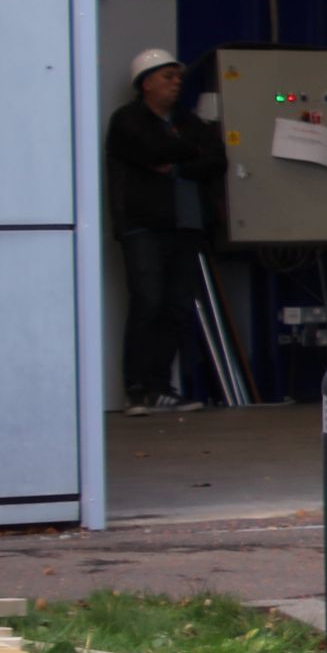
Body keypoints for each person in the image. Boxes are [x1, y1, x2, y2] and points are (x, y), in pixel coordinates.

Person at [103, 47, 224, 411]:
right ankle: (137, 387)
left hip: (186, 225)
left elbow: (216, 160)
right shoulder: (127, 121)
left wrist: (177, 165)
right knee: (148, 301)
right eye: (167, 77)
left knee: (177, 306)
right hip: (143, 225)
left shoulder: (188, 121)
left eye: (178, 78)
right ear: (146, 84)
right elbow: (151, 150)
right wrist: (189, 153)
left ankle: (160, 386)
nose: (176, 84)